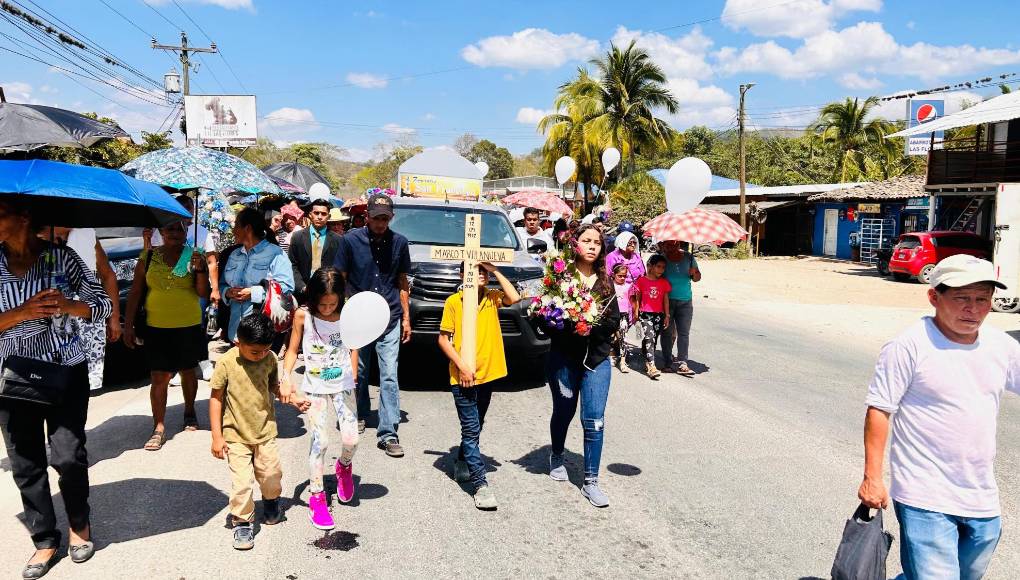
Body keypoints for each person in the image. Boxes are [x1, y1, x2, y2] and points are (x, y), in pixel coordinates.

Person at [859, 255, 1020, 580]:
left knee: (964, 575)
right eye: (962, 298)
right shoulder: (909, 346)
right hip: (923, 494)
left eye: (982, 299)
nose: (973, 309)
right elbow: (880, 408)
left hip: (981, 495)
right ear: (934, 297)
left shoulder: (1001, 345)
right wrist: (872, 477)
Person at [0, 199, 113, 578]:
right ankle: (45, 540)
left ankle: (79, 526)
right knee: (25, 463)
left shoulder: (59, 259)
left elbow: (102, 306)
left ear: (24, 216)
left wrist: (68, 304)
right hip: (11, 377)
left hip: (64, 370)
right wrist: (21, 313)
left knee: (67, 455)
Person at [209, 313, 309, 551]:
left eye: (265, 350)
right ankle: (242, 521)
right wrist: (216, 436)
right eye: (254, 352)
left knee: (271, 474)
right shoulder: (227, 362)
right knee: (242, 482)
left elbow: (274, 386)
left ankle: (271, 501)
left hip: (265, 431)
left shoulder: (270, 359)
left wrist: (293, 399)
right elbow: (215, 399)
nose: (260, 355)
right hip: (235, 434)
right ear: (238, 343)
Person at [541, 224, 621, 508]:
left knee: (594, 420)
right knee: (564, 410)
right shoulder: (560, 277)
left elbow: (615, 320)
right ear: (575, 244)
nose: (592, 246)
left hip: (597, 360)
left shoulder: (606, 281)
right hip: (564, 358)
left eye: (597, 243)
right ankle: (557, 455)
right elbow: (543, 316)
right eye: (586, 241)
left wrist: (593, 328)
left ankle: (591, 481)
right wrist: (562, 322)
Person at [438, 261, 521, 511]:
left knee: (477, 425)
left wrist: (495, 270)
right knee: (472, 430)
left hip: (488, 374)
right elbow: (443, 339)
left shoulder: (492, 297)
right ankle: (480, 484)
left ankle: (462, 460)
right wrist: (462, 366)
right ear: (462, 275)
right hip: (463, 376)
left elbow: (514, 297)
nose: (480, 275)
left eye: (482, 271)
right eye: (474, 271)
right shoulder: (455, 301)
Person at [281, 268, 359, 530]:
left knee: (351, 439)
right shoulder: (303, 316)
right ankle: (317, 497)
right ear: (313, 298)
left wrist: (354, 368)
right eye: (322, 303)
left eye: (332, 304)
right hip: (315, 387)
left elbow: (354, 343)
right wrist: (285, 377)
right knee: (321, 441)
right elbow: (292, 350)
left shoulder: (348, 316)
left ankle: (343, 467)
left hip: (344, 384)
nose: (327, 309)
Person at [335, 192, 411, 458]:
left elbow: (402, 281)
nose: (381, 223)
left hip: (389, 316)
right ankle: (359, 414)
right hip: (359, 317)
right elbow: (340, 278)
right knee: (361, 372)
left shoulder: (400, 243)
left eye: (385, 218)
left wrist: (406, 318)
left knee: (389, 374)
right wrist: (339, 313)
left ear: (391, 218)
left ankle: (388, 432)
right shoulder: (349, 241)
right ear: (366, 216)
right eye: (377, 218)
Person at [124, 220, 210, 450]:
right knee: (159, 376)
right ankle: (159, 427)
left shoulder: (195, 256)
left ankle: (189, 412)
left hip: (188, 324)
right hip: (156, 326)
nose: (174, 233)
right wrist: (128, 325)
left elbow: (204, 293)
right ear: (161, 232)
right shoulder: (148, 257)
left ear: (186, 233)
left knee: (187, 371)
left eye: (179, 229)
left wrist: (201, 270)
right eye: (169, 229)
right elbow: (135, 291)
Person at [47, 227, 122, 390]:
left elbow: (108, 275)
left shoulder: (86, 234)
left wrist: (114, 317)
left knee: (81, 385)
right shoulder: (32, 238)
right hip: (48, 323)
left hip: (88, 320)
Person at [220, 208, 295, 344]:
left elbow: (286, 287)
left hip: (262, 333)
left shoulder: (275, 254)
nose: (233, 230)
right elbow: (223, 284)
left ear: (247, 228)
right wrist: (227, 292)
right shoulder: (234, 255)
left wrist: (253, 293)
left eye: (236, 225)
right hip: (236, 331)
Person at [289, 199, 342, 304]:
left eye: (323, 214)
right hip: (302, 294)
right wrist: (302, 287)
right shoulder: (297, 237)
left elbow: (339, 267)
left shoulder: (337, 240)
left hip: (327, 295)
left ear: (329, 217)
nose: (319, 216)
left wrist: (330, 288)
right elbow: (292, 265)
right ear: (310, 215)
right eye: (316, 213)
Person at [660, 241, 700, 376]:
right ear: (664, 245)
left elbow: (697, 278)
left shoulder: (689, 258)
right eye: (668, 245)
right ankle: (667, 362)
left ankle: (683, 362)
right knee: (667, 332)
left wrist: (694, 273)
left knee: (684, 333)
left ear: (679, 245)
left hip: (685, 301)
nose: (671, 248)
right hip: (666, 301)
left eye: (674, 245)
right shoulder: (661, 258)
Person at [633, 255, 671, 379]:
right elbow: (637, 297)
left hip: (659, 315)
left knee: (653, 338)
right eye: (658, 266)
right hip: (645, 314)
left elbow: (666, 300)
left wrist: (667, 315)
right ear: (651, 266)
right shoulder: (642, 281)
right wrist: (636, 311)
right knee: (650, 337)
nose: (661, 270)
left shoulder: (664, 283)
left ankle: (647, 360)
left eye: (663, 267)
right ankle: (652, 365)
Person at [610, 263, 637, 373]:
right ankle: (612, 355)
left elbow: (633, 300)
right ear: (614, 275)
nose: (622, 278)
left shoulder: (628, 286)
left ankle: (622, 361)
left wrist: (635, 314)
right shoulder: (610, 285)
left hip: (623, 315)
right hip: (611, 314)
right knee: (611, 336)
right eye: (619, 276)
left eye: (624, 276)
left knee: (623, 338)